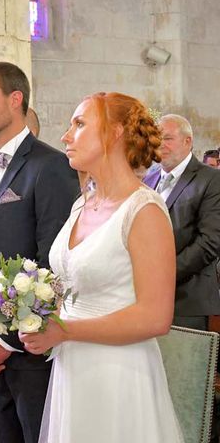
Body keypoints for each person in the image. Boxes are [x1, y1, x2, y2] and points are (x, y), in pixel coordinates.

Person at [20, 92, 183, 442]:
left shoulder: (144, 211)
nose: (66, 135)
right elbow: (72, 284)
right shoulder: (83, 204)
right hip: (73, 368)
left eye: (79, 124)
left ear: (115, 133)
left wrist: (66, 331)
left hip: (119, 372)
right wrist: (41, 320)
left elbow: (156, 317)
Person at [0, 62, 79, 443]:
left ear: (15, 99)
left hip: (29, 350)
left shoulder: (51, 165)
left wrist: (6, 341)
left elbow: (53, 265)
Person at [143, 115, 220, 330]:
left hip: (187, 300)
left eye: (168, 138)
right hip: (144, 299)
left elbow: (210, 242)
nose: (161, 145)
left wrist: (163, 275)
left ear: (188, 141)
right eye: (157, 139)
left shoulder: (212, 180)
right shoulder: (148, 178)